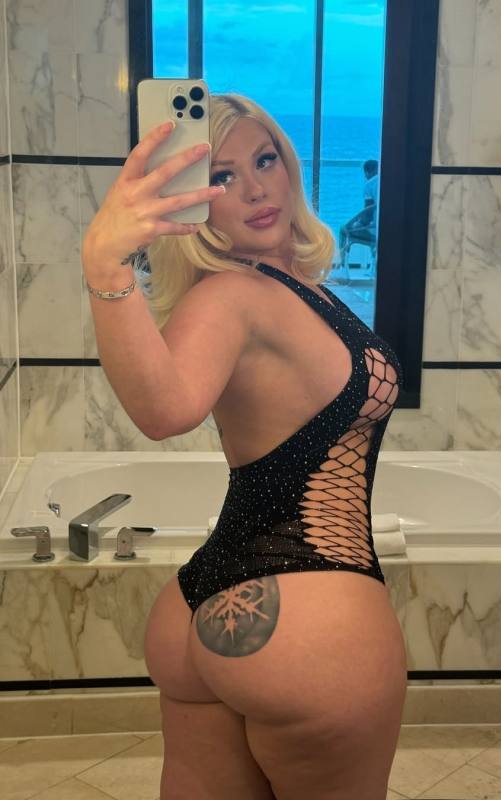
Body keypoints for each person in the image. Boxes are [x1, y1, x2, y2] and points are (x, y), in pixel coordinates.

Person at [81, 92, 406, 800]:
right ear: (191, 198)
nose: (256, 190)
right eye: (222, 177)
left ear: (289, 164)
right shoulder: (232, 296)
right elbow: (166, 410)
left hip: (203, 604)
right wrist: (107, 265)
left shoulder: (290, 285)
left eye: (265, 161)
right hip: (310, 623)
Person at [338, 159, 379, 267]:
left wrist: (357, 223)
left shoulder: (370, 185)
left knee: (343, 229)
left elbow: (367, 216)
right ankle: (374, 264)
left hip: (375, 231)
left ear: (366, 173)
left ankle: (342, 266)